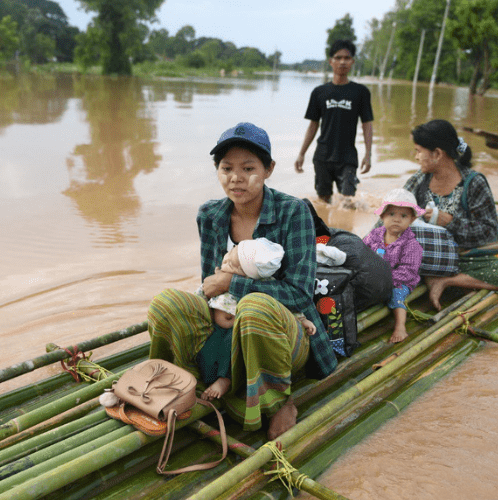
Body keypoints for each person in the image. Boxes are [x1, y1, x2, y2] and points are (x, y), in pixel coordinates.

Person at [148, 122, 337, 440]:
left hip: (281, 335)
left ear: (268, 170)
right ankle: (184, 379)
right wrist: (208, 301)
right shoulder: (210, 216)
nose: (236, 177)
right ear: (217, 171)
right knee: (166, 303)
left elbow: (300, 293)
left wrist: (231, 285)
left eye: (248, 168)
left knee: (254, 307)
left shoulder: (294, 213)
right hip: (229, 326)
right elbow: (211, 285)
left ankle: (278, 401)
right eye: (227, 168)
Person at [404, 119, 498, 310]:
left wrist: (450, 222)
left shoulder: (474, 183)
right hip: (424, 257)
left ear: (437, 154)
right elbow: (394, 211)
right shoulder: (420, 179)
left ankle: (448, 281)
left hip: (464, 260)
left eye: (418, 151)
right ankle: (432, 275)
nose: (416, 157)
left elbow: (488, 231)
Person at [203, 238, 317, 400]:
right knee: (209, 351)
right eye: (228, 256)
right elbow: (204, 292)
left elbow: (285, 306)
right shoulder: (219, 277)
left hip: (239, 331)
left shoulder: (259, 285)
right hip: (218, 328)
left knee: (230, 352)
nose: (226, 261)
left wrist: (303, 320)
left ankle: (225, 380)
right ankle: (207, 378)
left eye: (232, 264)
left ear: (245, 273)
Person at [295, 39, 374, 204]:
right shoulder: (319, 92)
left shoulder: (360, 92)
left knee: (348, 202)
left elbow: (367, 124)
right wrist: (302, 153)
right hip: (323, 156)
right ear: (331, 62)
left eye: (347, 58)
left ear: (352, 61)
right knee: (324, 202)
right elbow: (313, 125)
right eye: (338, 58)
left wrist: (368, 153)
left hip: (348, 158)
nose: (342, 62)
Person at [362, 189, 424, 343]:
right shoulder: (374, 236)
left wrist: (384, 279)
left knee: (396, 295)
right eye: (391, 214)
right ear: (382, 216)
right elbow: (361, 252)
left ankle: (400, 327)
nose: (397, 219)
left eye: (403, 216)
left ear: (411, 220)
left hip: (399, 281)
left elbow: (408, 272)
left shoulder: (412, 245)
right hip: (373, 277)